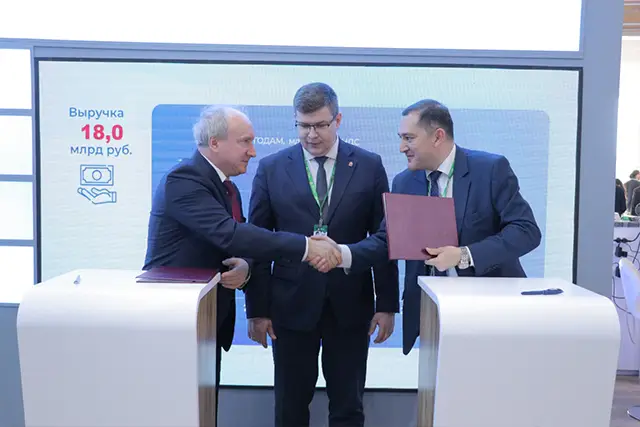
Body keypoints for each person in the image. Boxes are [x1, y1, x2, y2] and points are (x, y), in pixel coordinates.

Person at [142, 105, 342, 419]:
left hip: (204, 318)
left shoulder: (226, 187)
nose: (253, 151)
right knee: (178, 413)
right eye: (245, 142)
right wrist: (305, 246)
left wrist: (247, 268)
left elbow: (241, 242)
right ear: (215, 143)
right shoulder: (185, 180)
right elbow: (230, 234)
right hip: (175, 320)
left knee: (203, 412)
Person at [313, 98, 542, 356]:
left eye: (409, 138)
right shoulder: (405, 182)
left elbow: (526, 231)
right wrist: (341, 253)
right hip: (433, 318)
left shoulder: (489, 170)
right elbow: (387, 240)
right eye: (401, 138)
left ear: (438, 136)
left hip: (491, 313)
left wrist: (464, 255)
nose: (401, 147)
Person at [245, 83, 399, 427]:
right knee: (290, 407)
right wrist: (257, 310)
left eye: (320, 125)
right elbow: (257, 243)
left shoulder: (369, 165)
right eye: (303, 126)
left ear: (338, 120)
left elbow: (385, 238)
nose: (311, 135)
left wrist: (387, 304)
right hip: (290, 307)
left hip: (351, 306)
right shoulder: (272, 168)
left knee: (348, 407)